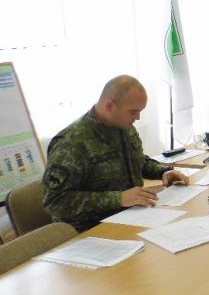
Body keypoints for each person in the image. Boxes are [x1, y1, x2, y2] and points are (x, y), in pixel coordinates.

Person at [43, 75, 189, 233]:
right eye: (133, 112)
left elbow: (138, 162)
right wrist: (118, 199)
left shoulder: (123, 126)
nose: (138, 118)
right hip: (92, 230)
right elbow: (55, 201)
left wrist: (163, 172)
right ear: (109, 106)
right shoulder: (71, 143)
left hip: (133, 216)